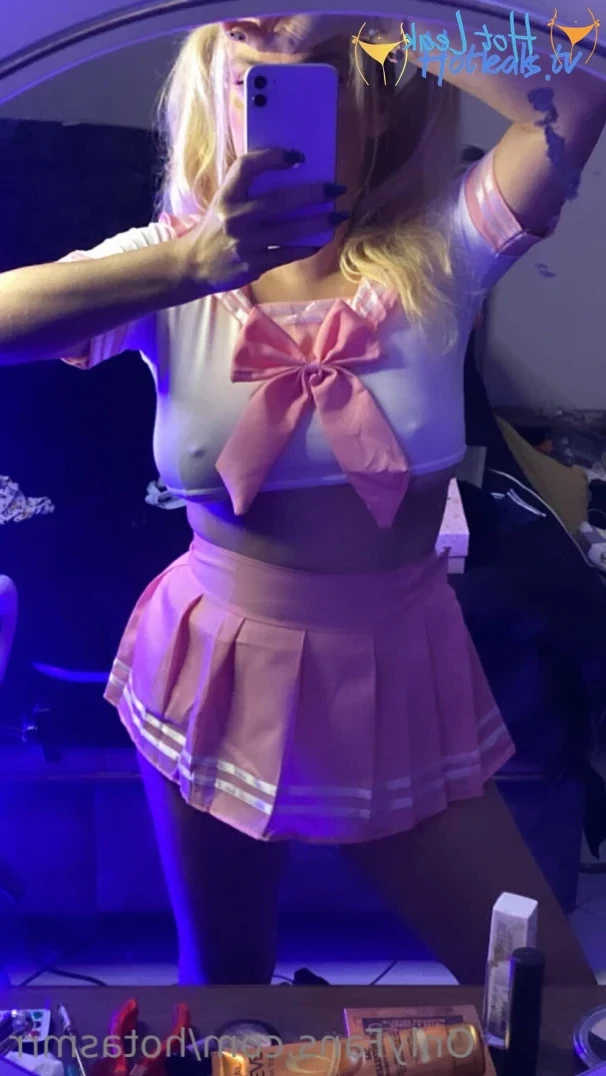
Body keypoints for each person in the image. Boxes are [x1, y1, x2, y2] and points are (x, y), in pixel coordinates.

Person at [0, 12, 604, 986]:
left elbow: (576, 96)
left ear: (374, 103)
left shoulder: (444, 251)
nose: (272, 111)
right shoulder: (173, 265)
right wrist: (186, 267)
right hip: (211, 672)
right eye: (249, 82)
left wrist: (384, 10)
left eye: (315, 77)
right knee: (226, 984)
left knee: (547, 997)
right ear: (211, 102)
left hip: (396, 678)